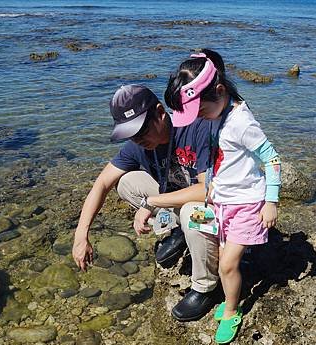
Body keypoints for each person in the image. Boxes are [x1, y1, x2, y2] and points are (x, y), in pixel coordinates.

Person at [72, 84, 221, 322]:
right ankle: (177, 230)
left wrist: (151, 202)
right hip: (179, 201)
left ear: (161, 112)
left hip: (217, 211)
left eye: (141, 131)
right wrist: (81, 235)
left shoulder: (195, 128)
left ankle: (205, 288)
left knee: (192, 213)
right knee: (126, 183)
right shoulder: (137, 146)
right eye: (131, 134)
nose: (138, 140)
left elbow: (207, 190)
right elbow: (101, 184)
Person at [165, 50, 282, 344]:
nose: (198, 118)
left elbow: (272, 158)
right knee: (224, 260)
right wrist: (212, 184)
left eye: (199, 111)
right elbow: (221, 156)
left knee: (227, 265)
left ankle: (231, 311)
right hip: (223, 202)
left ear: (219, 91)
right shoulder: (219, 112)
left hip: (246, 204)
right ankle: (230, 294)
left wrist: (271, 201)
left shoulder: (241, 122)